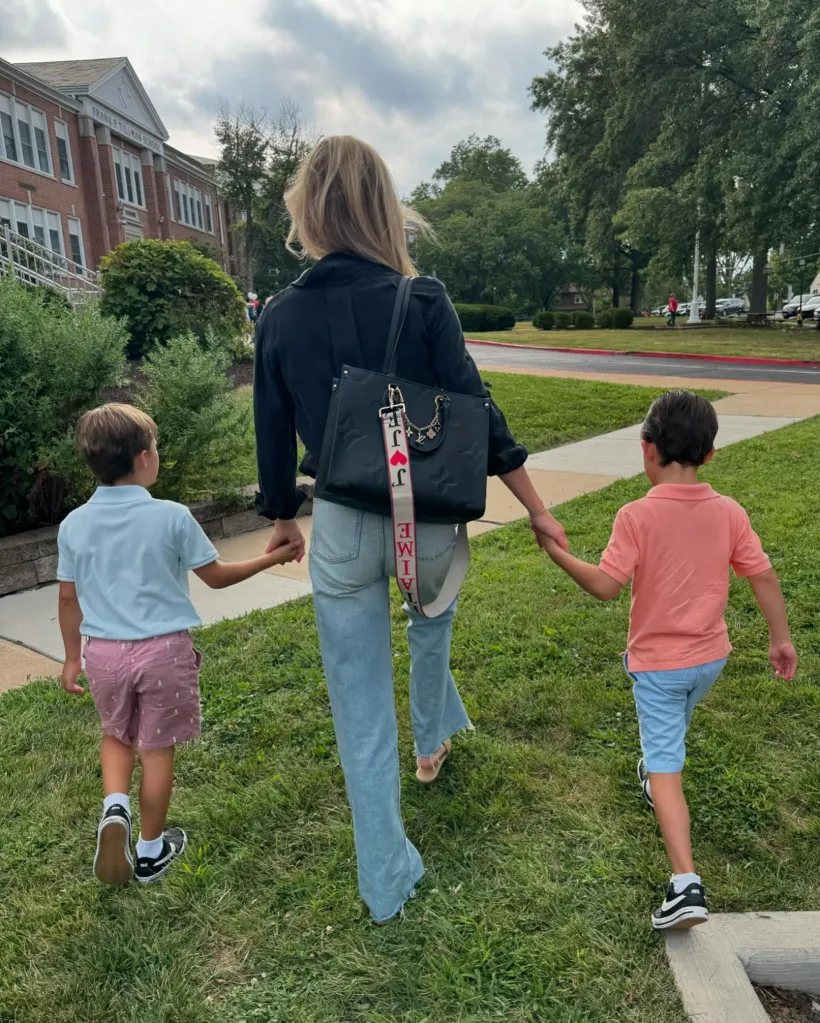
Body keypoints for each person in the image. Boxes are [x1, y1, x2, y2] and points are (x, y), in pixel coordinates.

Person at [253, 135, 568, 923]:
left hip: (340, 525)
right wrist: (535, 505)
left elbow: (272, 431)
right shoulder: (421, 298)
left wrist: (283, 517)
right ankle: (431, 738)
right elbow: (477, 406)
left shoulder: (280, 314)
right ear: (381, 207)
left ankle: (385, 879)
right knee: (430, 619)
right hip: (424, 520)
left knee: (359, 707)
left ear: (307, 210)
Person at [538, 390, 796, 931]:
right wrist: (781, 639)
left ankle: (685, 885)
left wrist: (557, 553)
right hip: (710, 661)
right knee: (669, 736)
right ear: (711, 454)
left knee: (666, 766)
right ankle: (654, 772)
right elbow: (763, 576)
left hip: (659, 667)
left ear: (647, 448)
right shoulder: (729, 512)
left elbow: (606, 586)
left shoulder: (636, 515)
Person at [57, 404, 301, 886]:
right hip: (163, 653)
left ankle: (115, 808)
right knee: (157, 749)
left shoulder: (73, 525)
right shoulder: (171, 516)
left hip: (104, 655)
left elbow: (68, 598)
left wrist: (70, 659)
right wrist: (270, 560)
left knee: (116, 736)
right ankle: (150, 852)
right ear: (145, 458)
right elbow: (216, 577)